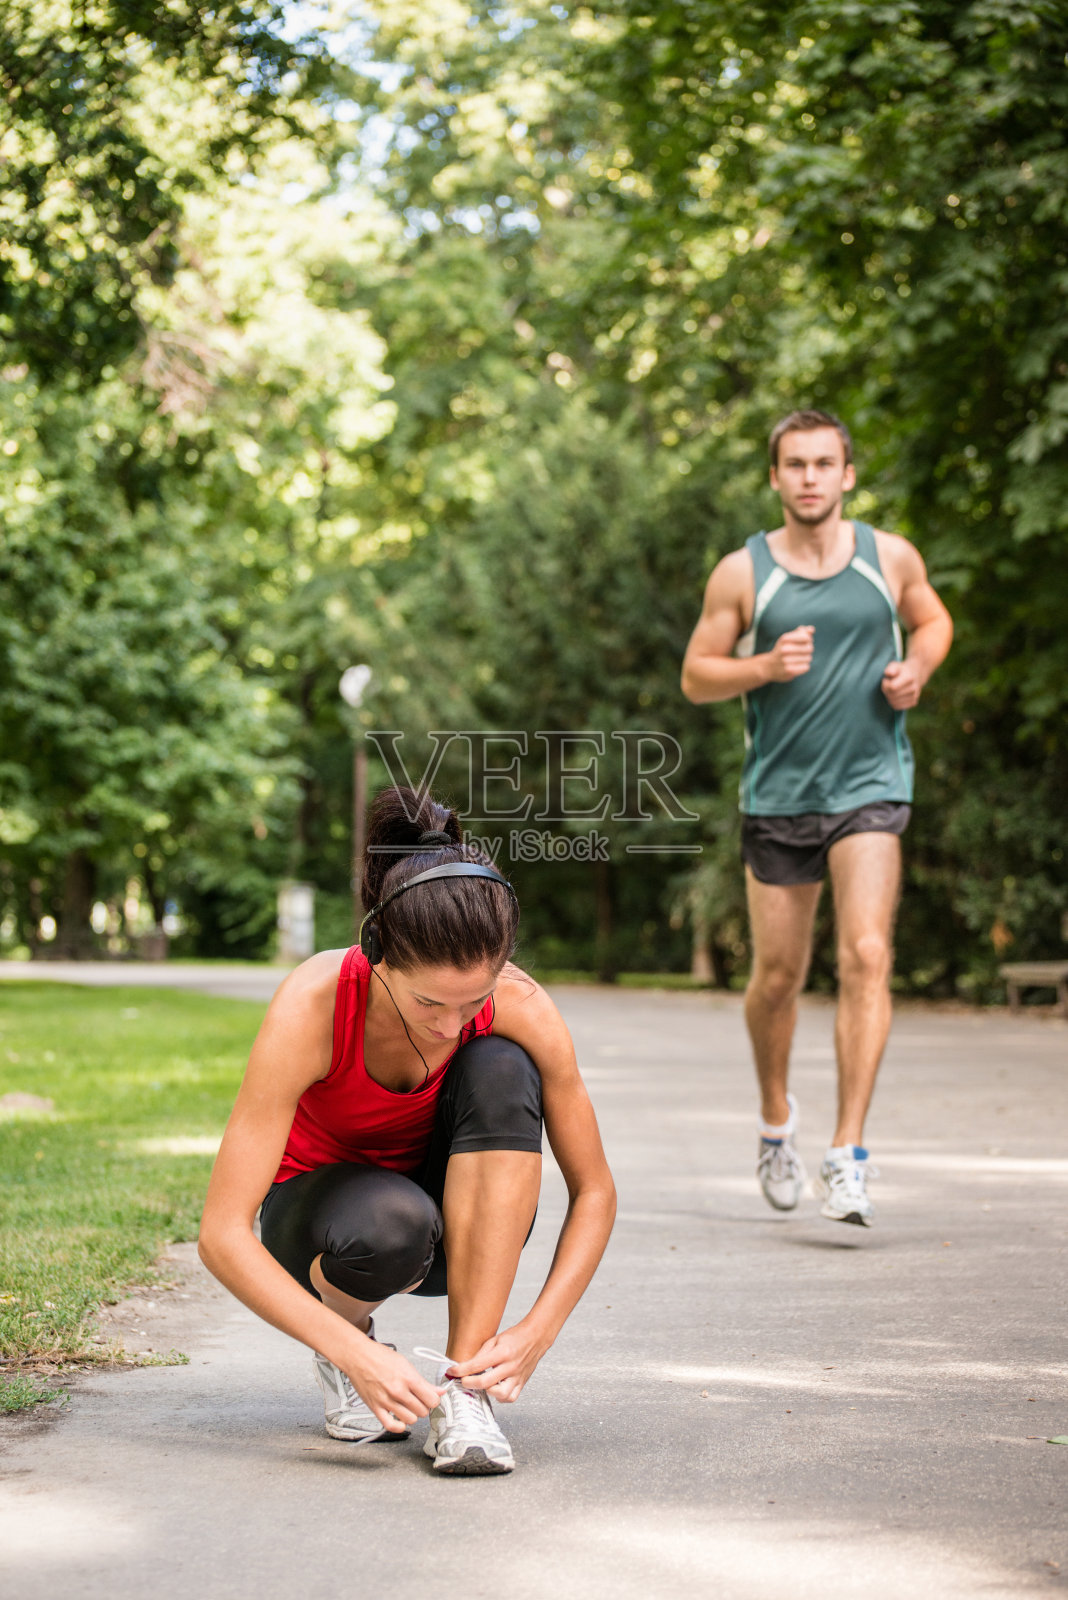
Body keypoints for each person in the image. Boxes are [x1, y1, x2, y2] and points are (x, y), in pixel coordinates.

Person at [199, 785, 616, 1475]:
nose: (451, 1025)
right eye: (429, 1002)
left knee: (503, 1066)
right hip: (326, 1231)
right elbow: (220, 1235)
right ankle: (350, 1345)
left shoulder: (522, 1006)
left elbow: (595, 1190)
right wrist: (350, 1350)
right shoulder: (316, 1003)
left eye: (473, 1000)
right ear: (377, 951)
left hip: (456, 1234)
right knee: (393, 1221)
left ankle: (465, 1390)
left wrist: (538, 1331)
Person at [681, 409, 952, 1227]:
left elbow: (933, 620)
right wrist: (763, 666)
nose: (809, 477)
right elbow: (697, 675)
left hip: (871, 785)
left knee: (867, 953)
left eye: (823, 463)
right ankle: (776, 1123)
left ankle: (847, 1153)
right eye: (794, 464)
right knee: (778, 979)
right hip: (779, 796)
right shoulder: (744, 572)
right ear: (775, 477)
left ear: (847, 474)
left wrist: (917, 668)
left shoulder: (888, 556)